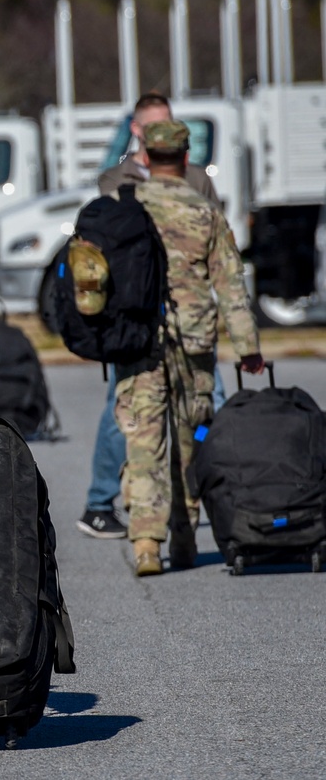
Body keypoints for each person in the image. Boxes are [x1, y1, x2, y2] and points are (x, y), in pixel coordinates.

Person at [114, 121, 262, 577]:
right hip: (194, 342)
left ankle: (144, 543)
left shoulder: (126, 209)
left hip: (138, 340)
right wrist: (248, 347)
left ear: (145, 154)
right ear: (184, 156)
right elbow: (230, 286)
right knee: (189, 438)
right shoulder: (205, 211)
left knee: (143, 438)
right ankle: (183, 539)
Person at [78, 92, 225, 539]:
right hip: (137, 313)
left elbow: (214, 240)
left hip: (189, 312)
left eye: (170, 122)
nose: (165, 130)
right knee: (121, 408)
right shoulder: (115, 178)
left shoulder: (197, 178)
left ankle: (205, 495)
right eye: (156, 123)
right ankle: (100, 502)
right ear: (138, 129)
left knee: (207, 400)